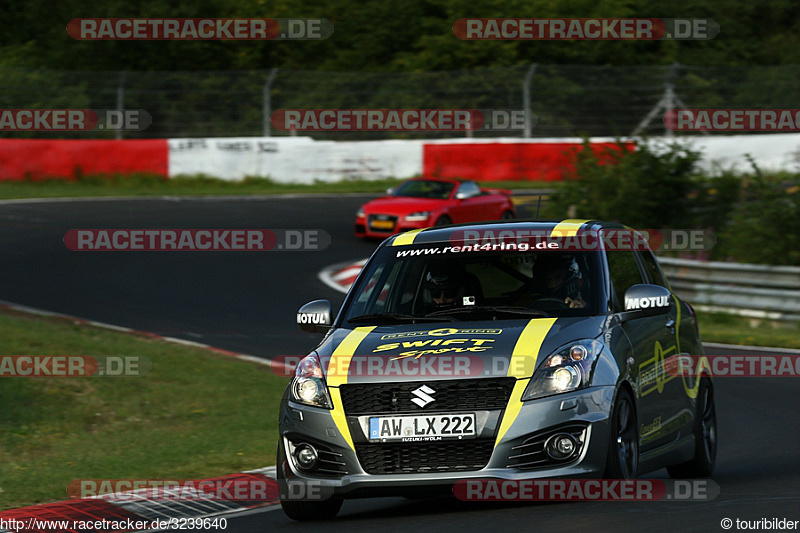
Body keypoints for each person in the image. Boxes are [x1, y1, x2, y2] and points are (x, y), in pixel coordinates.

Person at [514, 254, 586, 309]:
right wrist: (522, 306)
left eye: (557, 277)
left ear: (568, 275)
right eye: (548, 279)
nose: (553, 283)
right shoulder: (530, 293)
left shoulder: (586, 293)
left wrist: (581, 308)